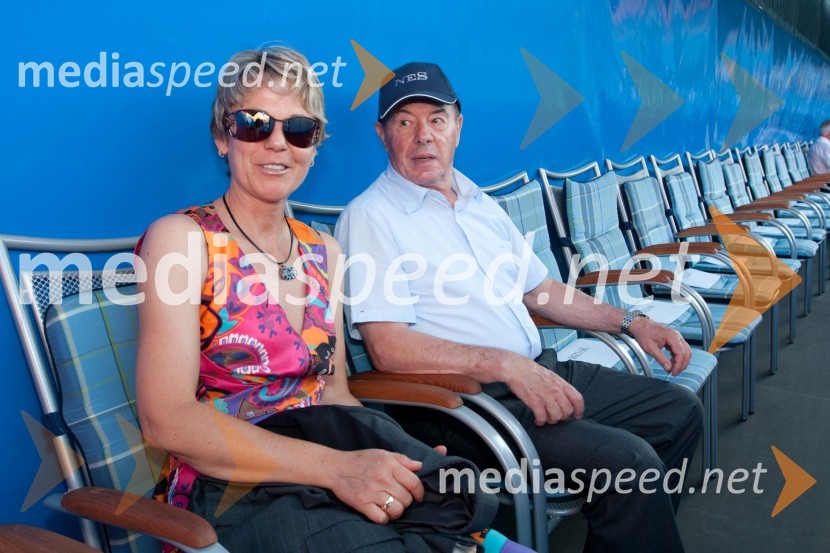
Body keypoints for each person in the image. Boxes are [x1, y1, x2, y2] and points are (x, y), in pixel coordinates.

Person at [135, 47, 500, 553]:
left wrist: (385, 449)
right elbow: (167, 419)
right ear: (223, 136)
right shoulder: (182, 241)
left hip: (326, 459)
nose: (278, 144)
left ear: (315, 145)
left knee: (463, 505)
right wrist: (340, 469)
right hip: (230, 490)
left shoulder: (322, 251)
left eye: (299, 129)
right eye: (255, 124)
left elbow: (333, 396)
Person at [334, 62, 704, 553]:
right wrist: (505, 366)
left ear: (458, 127)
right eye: (405, 122)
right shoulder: (369, 218)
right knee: (630, 466)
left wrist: (633, 321)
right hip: (462, 406)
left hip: (531, 371)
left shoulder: (477, 201)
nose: (423, 135)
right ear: (383, 134)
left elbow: (541, 290)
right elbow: (388, 348)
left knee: (678, 411)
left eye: (437, 119)